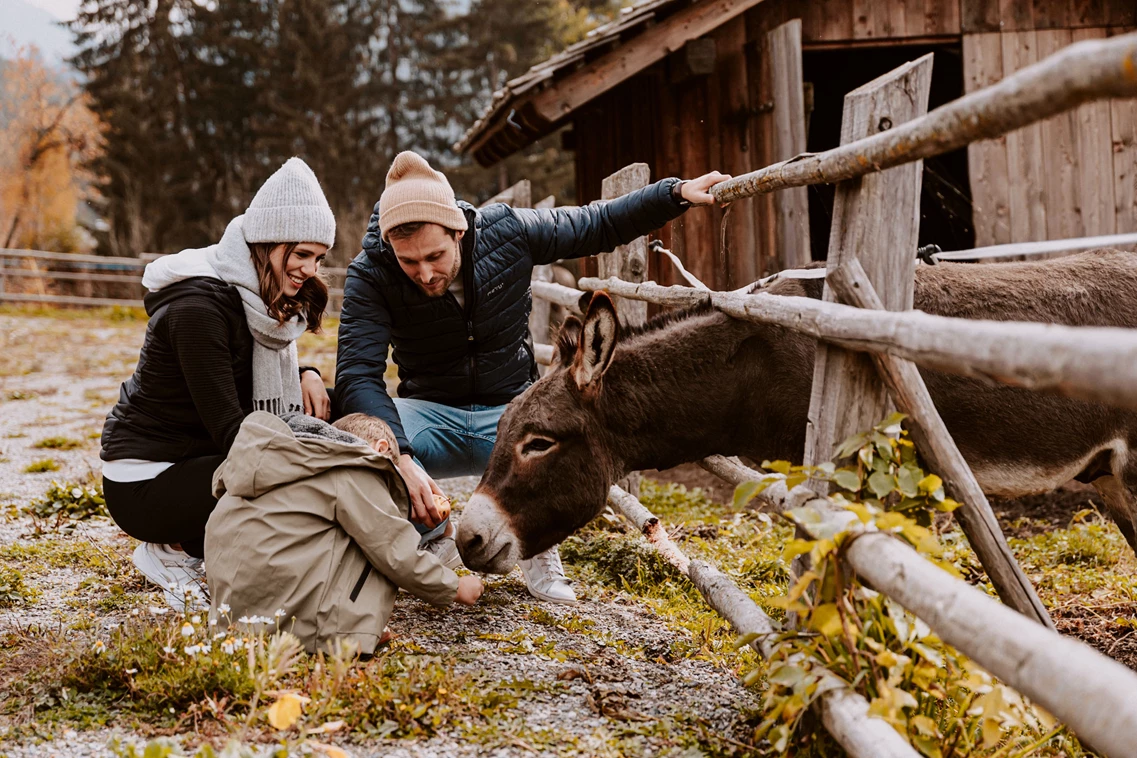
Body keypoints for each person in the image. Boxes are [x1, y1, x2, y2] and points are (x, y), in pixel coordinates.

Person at [335, 151, 729, 603]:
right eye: (409, 262)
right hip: (430, 415)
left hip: (510, 415)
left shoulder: (507, 233)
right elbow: (357, 373)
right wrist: (401, 457)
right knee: (366, 439)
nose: (424, 273)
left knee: (550, 436)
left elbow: (594, 223)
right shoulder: (371, 273)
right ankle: (432, 538)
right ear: (389, 247)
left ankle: (539, 553)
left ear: (459, 231)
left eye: (435, 255)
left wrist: (673, 194)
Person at [100, 157, 336, 610]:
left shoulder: (256, 298)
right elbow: (236, 434)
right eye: (302, 254)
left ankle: (193, 546)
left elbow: (254, 377)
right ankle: (173, 549)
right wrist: (326, 459)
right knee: (291, 478)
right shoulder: (198, 310)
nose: (310, 269)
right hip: (147, 482)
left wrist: (307, 374)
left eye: (318, 258)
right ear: (268, 244)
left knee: (323, 415)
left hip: (195, 455)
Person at [205, 411, 484, 656]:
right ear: (381, 448)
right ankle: (342, 632)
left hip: (232, 620)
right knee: (372, 538)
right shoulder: (355, 467)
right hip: (295, 630)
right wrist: (455, 588)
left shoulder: (282, 462)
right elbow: (394, 550)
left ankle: (346, 624)